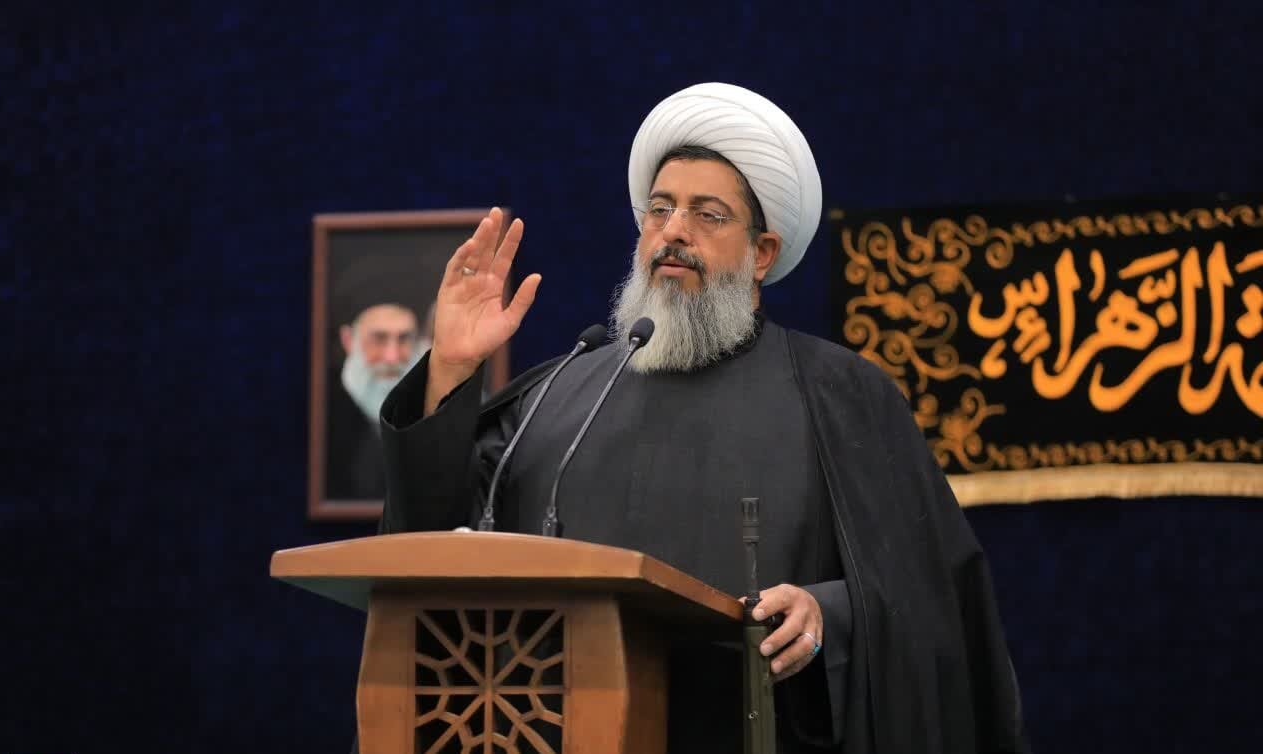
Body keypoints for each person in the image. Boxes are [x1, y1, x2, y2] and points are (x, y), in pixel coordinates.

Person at [368, 83, 1028, 753]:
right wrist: (449, 371)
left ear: (762, 253)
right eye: (659, 209)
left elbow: (934, 608)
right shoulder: (562, 389)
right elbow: (428, 558)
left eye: (708, 215)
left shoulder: (842, 396)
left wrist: (828, 616)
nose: (673, 231)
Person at [325, 302, 421, 499]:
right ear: (348, 340)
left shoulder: (438, 412)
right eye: (379, 339)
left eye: (404, 339)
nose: (392, 358)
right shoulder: (321, 413)